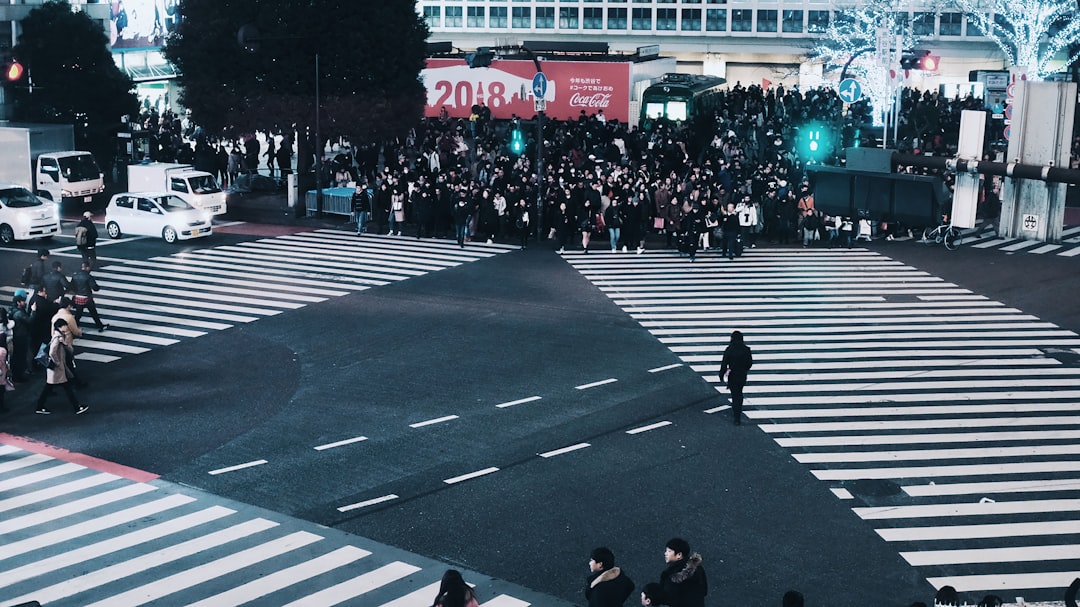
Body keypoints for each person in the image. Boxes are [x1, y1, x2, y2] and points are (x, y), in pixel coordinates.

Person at [35, 318, 88, 416]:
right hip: (57, 368)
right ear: (60, 327)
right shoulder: (57, 338)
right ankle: (77, 407)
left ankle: (39, 406)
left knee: (49, 387)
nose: (66, 327)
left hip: (56, 368)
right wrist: (57, 362)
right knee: (66, 388)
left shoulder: (58, 336)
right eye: (64, 325)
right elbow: (52, 352)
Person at [658, 538, 707, 607]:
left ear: (679, 555)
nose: (665, 553)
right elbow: (704, 591)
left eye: (669, 551)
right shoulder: (698, 569)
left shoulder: (670, 573)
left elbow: (667, 596)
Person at [720, 330, 753, 425]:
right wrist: (744, 369)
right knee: (739, 393)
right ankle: (738, 413)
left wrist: (721, 375)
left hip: (733, 375)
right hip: (742, 375)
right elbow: (749, 363)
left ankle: (736, 417)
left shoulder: (729, 349)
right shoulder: (746, 349)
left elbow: (724, 363)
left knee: (735, 395)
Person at [70, 261, 108, 332]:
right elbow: (94, 287)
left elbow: (72, 286)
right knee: (93, 312)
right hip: (87, 298)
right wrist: (98, 287)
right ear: (87, 267)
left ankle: (74, 327)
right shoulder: (88, 277)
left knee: (78, 314)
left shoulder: (75, 276)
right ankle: (99, 326)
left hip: (78, 297)